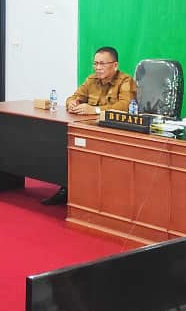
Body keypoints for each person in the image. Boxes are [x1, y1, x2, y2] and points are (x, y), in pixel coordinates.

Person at [49, 46, 137, 205]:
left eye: (102, 64)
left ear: (115, 65)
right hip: (89, 128)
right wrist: (72, 103)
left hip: (113, 132)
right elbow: (73, 97)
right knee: (65, 141)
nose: (98, 67)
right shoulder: (91, 80)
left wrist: (95, 110)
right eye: (95, 63)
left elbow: (125, 106)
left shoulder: (125, 81)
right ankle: (68, 188)